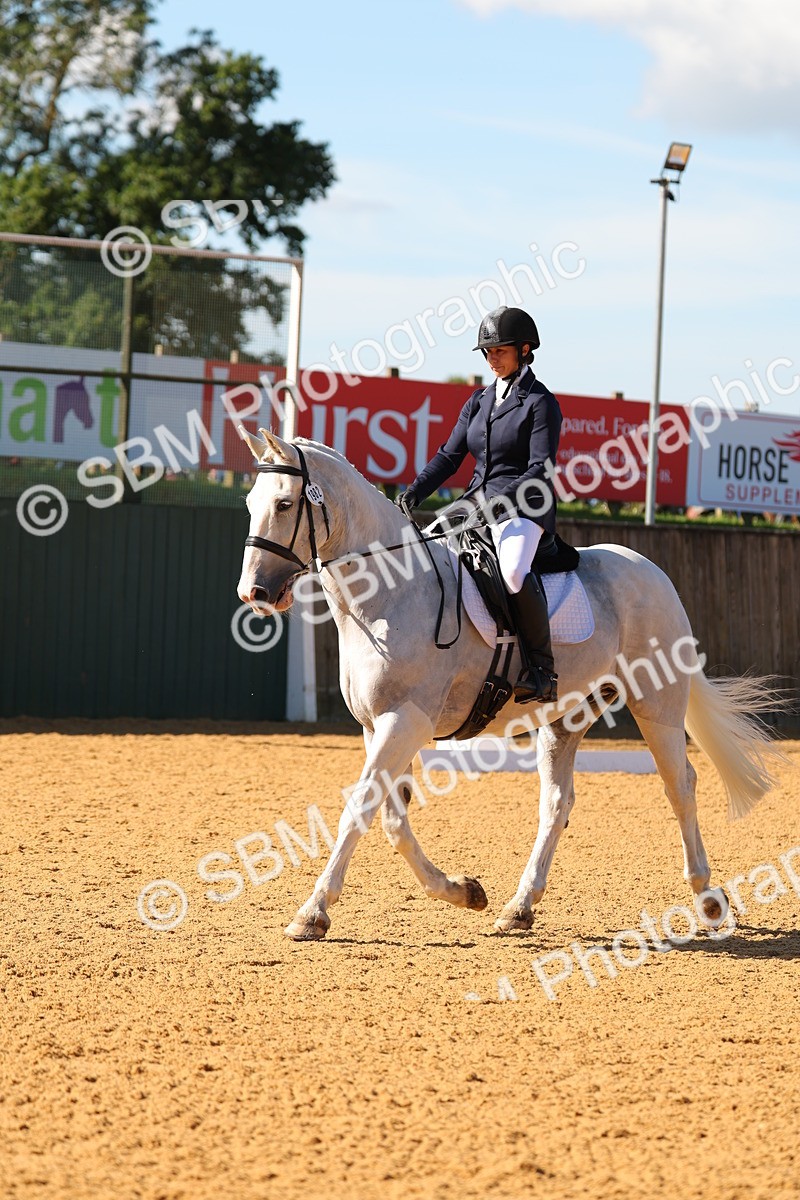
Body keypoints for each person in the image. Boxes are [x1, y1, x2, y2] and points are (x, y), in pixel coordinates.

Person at [396, 305, 562, 704]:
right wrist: (415, 491)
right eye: (486, 353)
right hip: (473, 503)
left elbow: (541, 468)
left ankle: (541, 670)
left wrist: (499, 504)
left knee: (513, 572)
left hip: (525, 507)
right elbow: (451, 456)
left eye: (499, 351)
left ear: (525, 350)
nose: (491, 359)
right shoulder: (479, 400)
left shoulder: (541, 403)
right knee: (424, 553)